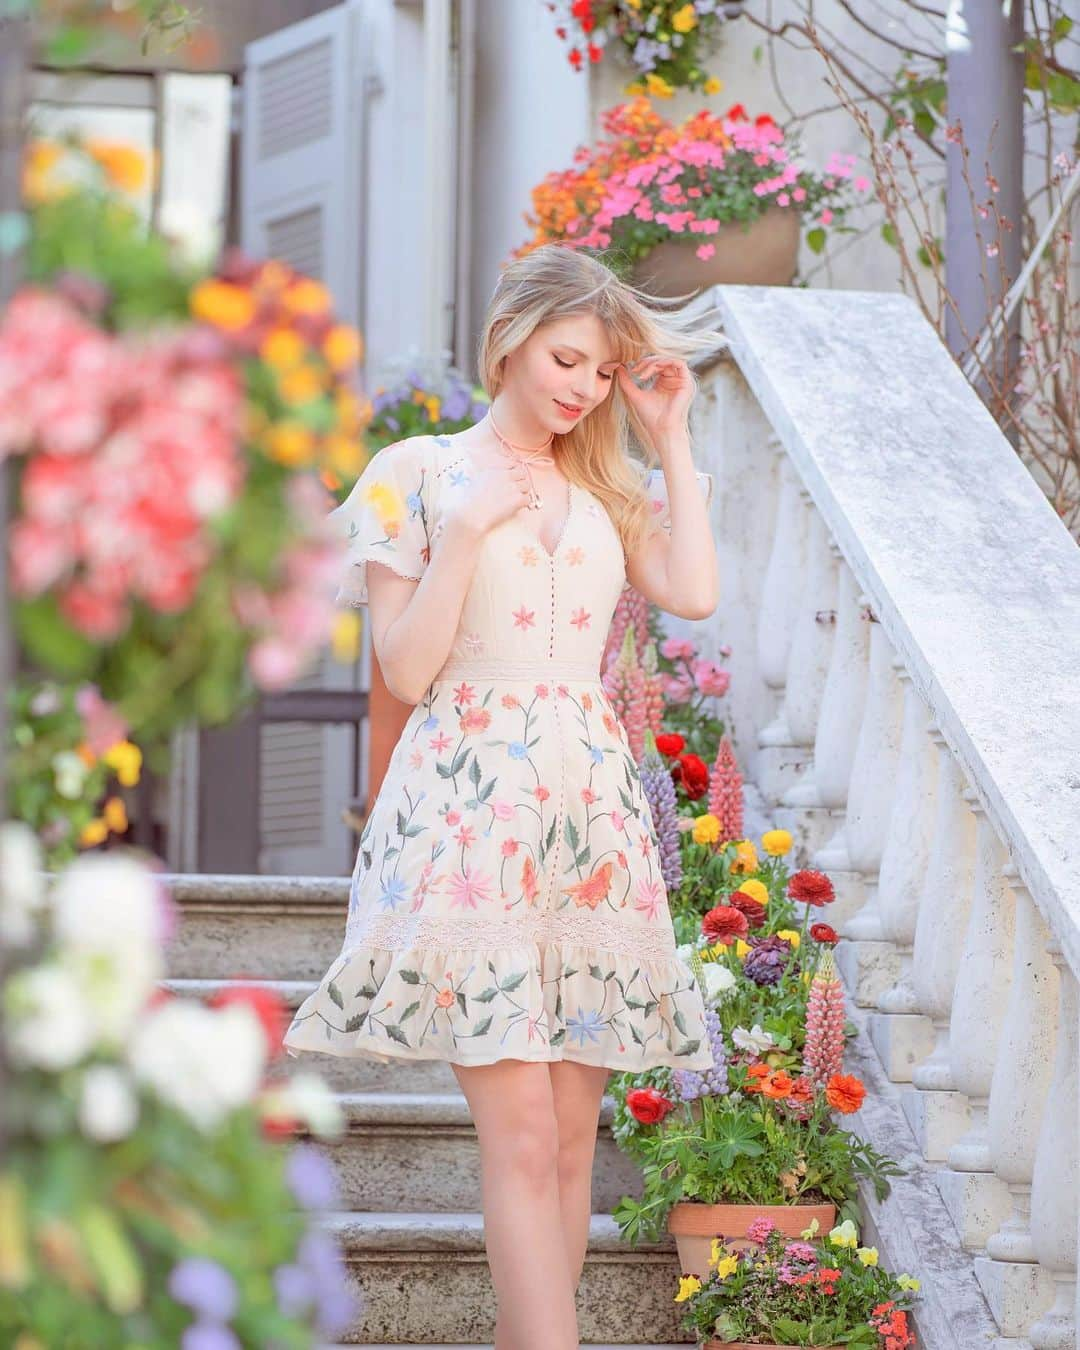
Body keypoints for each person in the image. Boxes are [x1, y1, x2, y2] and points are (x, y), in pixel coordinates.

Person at [284, 242, 724, 1348]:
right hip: (468, 817)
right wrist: (469, 528)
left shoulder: (605, 484)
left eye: (598, 369)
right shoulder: (417, 472)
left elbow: (696, 592)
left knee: (574, 1141)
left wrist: (667, 437)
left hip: (591, 813)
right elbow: (406, 670)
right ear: (511, 340)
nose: (581, 386)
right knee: (522, 1133)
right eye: (565, 358)